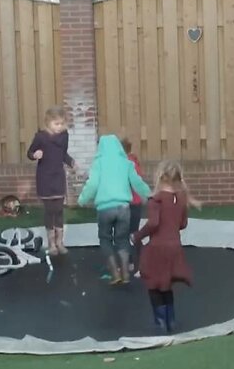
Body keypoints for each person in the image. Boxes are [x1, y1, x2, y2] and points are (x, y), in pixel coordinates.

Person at [77, 135, 151, 284]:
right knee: (123, 239)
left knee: (105, 239)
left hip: (105, 209)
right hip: (124, 208)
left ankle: (114, 273)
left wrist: (82, 200)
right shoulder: (126, 163)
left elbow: (92, 185)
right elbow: (137, 182)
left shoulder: (99, 164)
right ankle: (125, 273)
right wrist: (149, 195)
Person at [133, 161, 193, 334]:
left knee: (153, 284)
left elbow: (153, 223)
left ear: (159, 177)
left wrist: (137, 236)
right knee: (166, 284)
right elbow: (183, 224)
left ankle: (160, 323)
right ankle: (171, 321)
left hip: (157, 248)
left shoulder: (156, 200)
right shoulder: (180, 199)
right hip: (175, 247)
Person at [27, 107, 75, 256]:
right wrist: (35, 155)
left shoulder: (64, 136)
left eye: (61, 124)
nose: (59, 127)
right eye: (56, 124)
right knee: (50, 211)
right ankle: (51, 243)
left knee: (59, 210)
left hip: (58, 176)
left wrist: (71, 162)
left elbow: (62, 154)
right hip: (45, 177)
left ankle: (60, 242)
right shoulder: (40, 137)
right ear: (48, 123)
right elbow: (29, 153)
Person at [120, 137, 145, 276]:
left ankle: (139, 264)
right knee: (127, 234)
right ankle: (130, 262)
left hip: (132, 204)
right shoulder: (131, 161)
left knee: (132, 234)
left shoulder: (129, 163)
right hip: (130, 203)